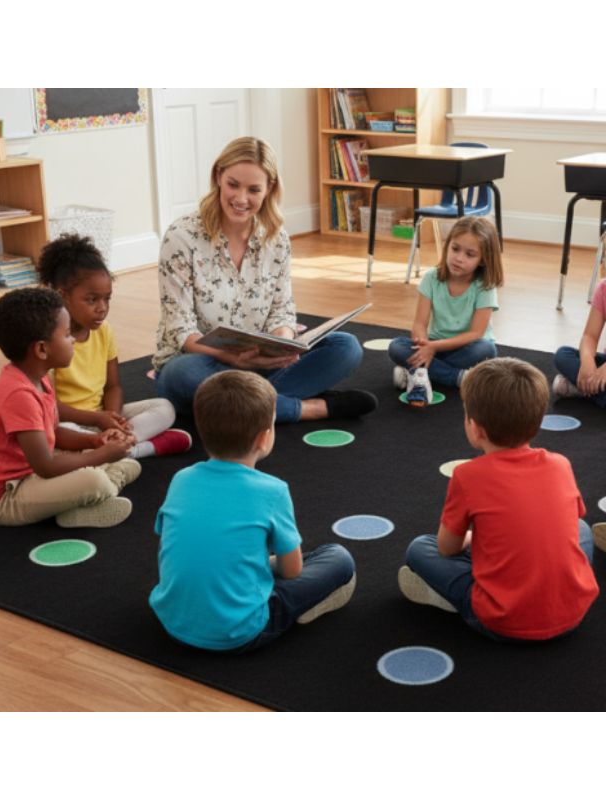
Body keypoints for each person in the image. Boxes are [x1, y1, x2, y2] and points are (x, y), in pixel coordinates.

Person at [153, 135, 377, 424]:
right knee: (180, 376)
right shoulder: (181, 237)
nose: (241, 199)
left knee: (346, 347)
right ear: (218, 176)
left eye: (253, 189)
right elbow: (181, 331)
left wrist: (284, 347)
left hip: (261, 366)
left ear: (269, 188)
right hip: (204, 363)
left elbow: (281, 311)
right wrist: (233, 359)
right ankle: (310, 409)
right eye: (233, 184)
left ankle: (242, 407)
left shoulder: (276, 238)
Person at [149, 370, 357, 653]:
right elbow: (292, 570)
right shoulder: (272, 490)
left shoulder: (181, 478)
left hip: (171, 621)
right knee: (339, 558)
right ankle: (302, 607)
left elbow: (174, 543)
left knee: (235, 558)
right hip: (240, 632)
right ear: (263, 438)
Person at [397, 357, 599, 641]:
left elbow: (446, 547)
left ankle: (453, 599)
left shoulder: (467, 475)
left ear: (476, 429)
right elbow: (569, 520)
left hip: (500, 621)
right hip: (574, 612)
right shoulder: (561, 463)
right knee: (582, 530)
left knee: (420, 549)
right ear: (538, 422)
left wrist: (470, 540)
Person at [0, 287, 141, 528]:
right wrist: (102, 455)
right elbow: (46, 466)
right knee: (93, 479)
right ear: (41, 349)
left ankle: (81, 503)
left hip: (29, 473)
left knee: (112, 462)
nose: (73, 341)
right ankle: (94, 495)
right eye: (67, 335)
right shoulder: (19, 394)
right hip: (4, 499)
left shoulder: (39, 378)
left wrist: (96, 442)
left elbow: (54, 433)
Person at [38, 233, 192, 458]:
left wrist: (111, 418)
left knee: (164, 408)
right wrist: (97, 421)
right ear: (63, 296)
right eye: (92, 300)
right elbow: (49, 407)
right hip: (67, 422)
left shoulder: (104, 331)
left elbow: (113, 387)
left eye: (107, 299)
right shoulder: (47, 341)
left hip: (101, 417)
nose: (102, 308)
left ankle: (112, 448)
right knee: (51, 437)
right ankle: (139, 449)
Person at [388, 216, 503, 407]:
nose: (458, 258)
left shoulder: (485, 286)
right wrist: (423, 345)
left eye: (470, 254)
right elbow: (419, 323)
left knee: (487, 350)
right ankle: (459, 378)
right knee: (396, 346)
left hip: (467, 347)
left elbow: (476, 334)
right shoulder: (432, 278)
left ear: (483, 260)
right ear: (447, 245)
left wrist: (433, 349)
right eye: (455, 249)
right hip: (434, 344)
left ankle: (417, 372)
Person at [552, 276, 606, 407]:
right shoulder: (604, 289)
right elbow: (590, 336)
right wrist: (587, 362)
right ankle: (592, 387)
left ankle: (582, 388)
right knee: (563, 355)